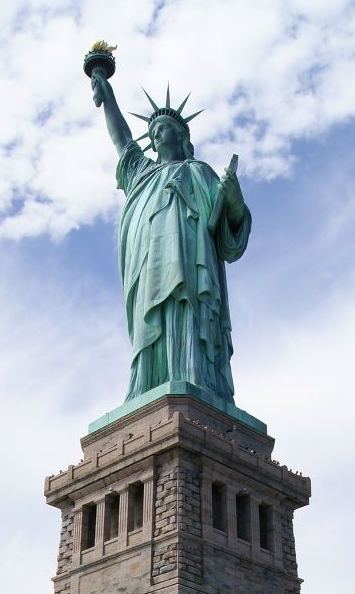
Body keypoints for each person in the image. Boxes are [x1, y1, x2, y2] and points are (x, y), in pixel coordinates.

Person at [90, 69, 251, 404]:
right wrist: (108, 97)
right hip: (150, 266)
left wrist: (234, 203)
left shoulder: (199, 172)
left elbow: (226, 235)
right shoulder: (142, 174)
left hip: (193, 264)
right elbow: (122, 140)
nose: (155, 134)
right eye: (152, 130)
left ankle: (195, 376)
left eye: (162, 128)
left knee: (188, 312)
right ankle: (148, 384)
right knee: (153, 320)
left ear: (180, 135)